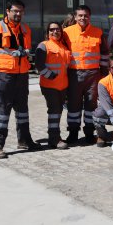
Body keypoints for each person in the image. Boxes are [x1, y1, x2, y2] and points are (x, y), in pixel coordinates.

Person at [0, 0, 39, 159]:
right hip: (4, 75)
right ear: (7, 11)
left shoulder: (25, 29)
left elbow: (26, 51)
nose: (18, 14)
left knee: (22, 110)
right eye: (15, 11)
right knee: (1, 110)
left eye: (21, 11)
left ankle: (24, 141)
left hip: (21, 75)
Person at [63, 5, 110, 144]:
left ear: (90, 17)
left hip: (93, 75)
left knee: (91, 105)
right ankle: (72, 133)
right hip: (73, 74)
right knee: (73, 106)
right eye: (80, 15)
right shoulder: (66, 32)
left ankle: (89, 133)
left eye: (86, 15)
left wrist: (104, 75)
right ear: (75, 17)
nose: (83, 18)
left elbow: (104, 55)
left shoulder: (98, 32)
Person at [35, 22, 71, 150]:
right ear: (47, 32)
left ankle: (54, 137)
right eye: (52, 30)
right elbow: (39, 65)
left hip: (63, 86)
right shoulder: (44, 45)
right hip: (50, 86)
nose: (55, 32)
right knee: (54, 112)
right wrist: (50, 75)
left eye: (58, 29)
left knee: (58, 111)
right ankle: (54, 138)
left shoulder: (63, 47)